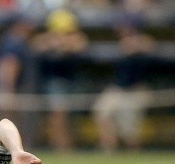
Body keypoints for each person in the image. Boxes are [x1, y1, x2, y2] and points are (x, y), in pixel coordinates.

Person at [92, 13, 155, 153]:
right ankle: (109, 148)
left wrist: (136, 45)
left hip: (135, 89)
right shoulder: (120, 43)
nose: (120, 28)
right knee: (102, 112)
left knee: (129, 132)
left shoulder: (143, 41)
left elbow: (148, 46)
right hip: (117, 88)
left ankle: (134, 153)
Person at [30, 8, 88, 150]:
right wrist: (54, 43)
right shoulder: (45, 39)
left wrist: (65, 43)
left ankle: (70, 146)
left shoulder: (77, 39)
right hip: (54, 83)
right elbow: (35, 45)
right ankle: (61, 148)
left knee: (72, 118)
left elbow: (80, 45)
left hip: (72, 82)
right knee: (57, 116)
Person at [0, 15, 38, 145]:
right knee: (14, 129)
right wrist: (7, 90)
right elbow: (9, 65)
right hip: (12, 92)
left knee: (9, 130)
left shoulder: (8, 41)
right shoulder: (14, 42)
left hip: (5, 90)